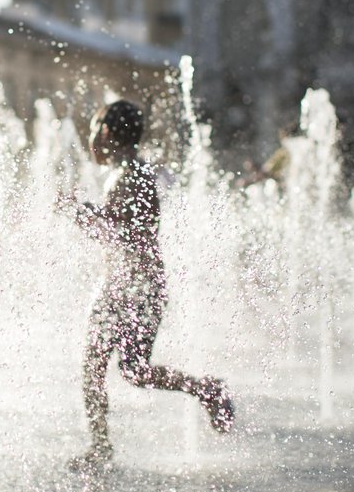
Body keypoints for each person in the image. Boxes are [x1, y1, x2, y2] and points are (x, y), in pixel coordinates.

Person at [58, 100, 235, 470]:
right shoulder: (131, 172)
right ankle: (206, 389)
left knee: (95, 367)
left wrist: (78, 212)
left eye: (92, 129)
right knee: (134, 370)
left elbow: (119, 234)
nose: (90, 138)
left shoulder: (129, 175)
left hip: (130, 286)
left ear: (105, 132)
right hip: (141, 284)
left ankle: (101, 448)